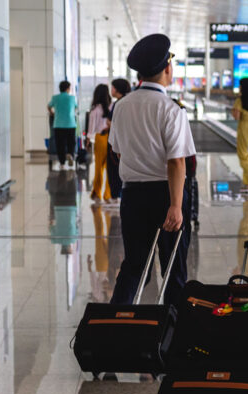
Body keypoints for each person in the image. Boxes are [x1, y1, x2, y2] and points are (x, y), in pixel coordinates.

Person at [108, 34, 195, 307]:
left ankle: (113, 325)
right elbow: (177, 162)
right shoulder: (171, 109)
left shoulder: (121, 107)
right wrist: (176, 206)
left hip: (133, 196)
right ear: (167, 68)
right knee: (173, 269)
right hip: (166, 195)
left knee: (135, 266)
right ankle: (170, 334)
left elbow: (118, 151)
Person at [106, 78, 131, 203]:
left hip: (116, 141)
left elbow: (111, 122)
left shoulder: (118, 104)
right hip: (127, 142)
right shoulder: (128, 102)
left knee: (114, 168)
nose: (111, 90)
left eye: (112, 87)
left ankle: (115, 196)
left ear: (116, 89)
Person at [88, 84, 112, 204]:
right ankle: (108, 194)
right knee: (110, 167)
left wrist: (88, 140)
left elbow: (91, 128)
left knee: (99, 167)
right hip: (111, 138)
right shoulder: (111, 107)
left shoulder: (95, 109)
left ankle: (97, 193)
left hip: (100, 138)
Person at [47, 81, 78, 170]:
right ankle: (70, 154)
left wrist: (52, 113)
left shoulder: (55, 98)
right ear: (68, 88)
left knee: (60, 144)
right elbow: (75, 107)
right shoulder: (72, 98)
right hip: (70, 123)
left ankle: (62, 163)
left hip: (58, 124)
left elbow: (48, 106)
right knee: (71, 142)